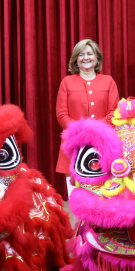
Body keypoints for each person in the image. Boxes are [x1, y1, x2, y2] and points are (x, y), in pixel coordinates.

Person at [56, 39, 119, 196]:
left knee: (102, 196)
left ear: (97, 57)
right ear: (76, 59)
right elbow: (62, 114)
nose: (86, 58)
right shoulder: (67, 82)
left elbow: (114, 113)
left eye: (90, 54)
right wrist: (79, 132)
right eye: (81, 54)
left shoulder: (108, 81)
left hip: (102, 143)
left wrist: (94, 131)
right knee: (76, 196)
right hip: (73, 144)